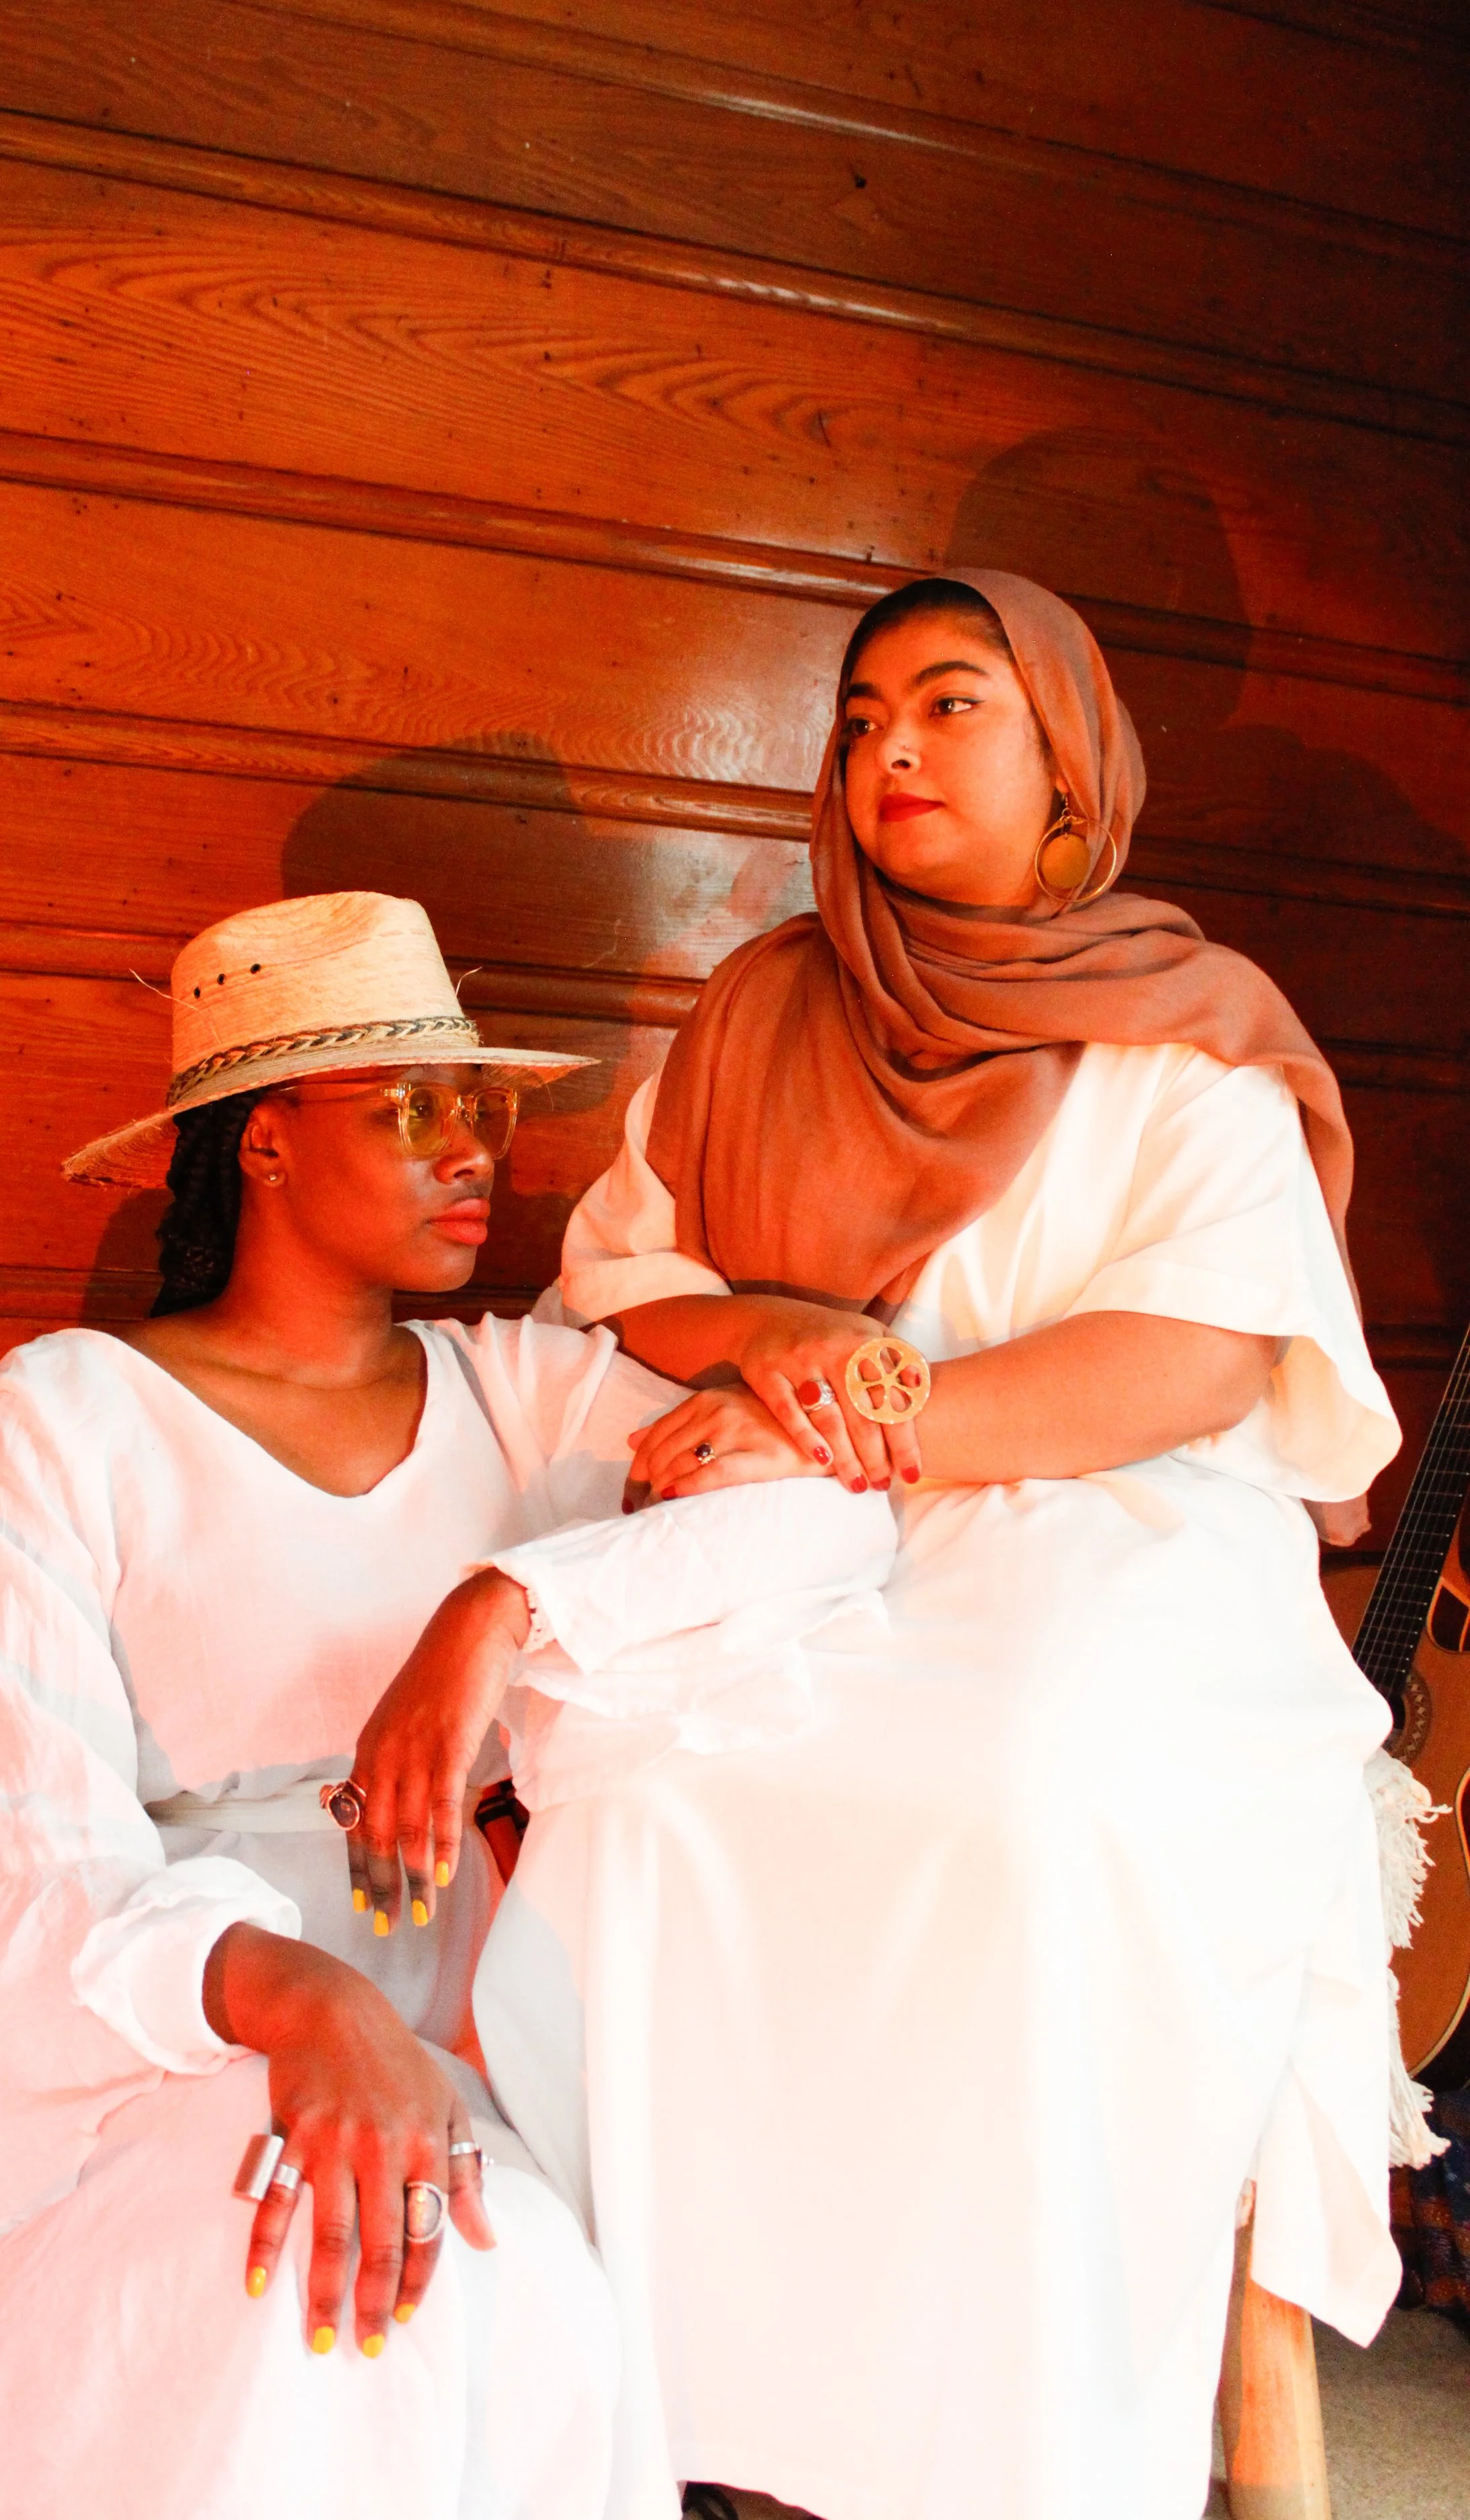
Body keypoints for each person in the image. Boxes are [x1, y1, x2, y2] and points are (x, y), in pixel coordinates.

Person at [468, 574, 1415, 2520]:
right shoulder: (764, 1010)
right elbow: (630, 1275)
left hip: (1117, 1523)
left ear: (1067, 773)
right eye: (858, 712)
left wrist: (879, 1406)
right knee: (637, 1801)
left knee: (1023, 1788)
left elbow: (1193, 1351)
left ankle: (1009, 2435)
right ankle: (684, 2410)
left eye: (949, 704)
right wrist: (777, 1343)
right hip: (816, 1518)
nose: (886, 747)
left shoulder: (1194, 1035)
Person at [0, 891, 893, 2520]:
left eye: (487, 1111)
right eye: (415, 1108)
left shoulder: (516, 1393)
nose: (477, 1157)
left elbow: (834, 1516)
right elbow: (22, 1863)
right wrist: (302, 2004)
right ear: (264, 1143)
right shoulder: (62, 1416)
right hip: (133, 2029)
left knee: (510, 2289)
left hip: (452, 2016)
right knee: (299, 2295)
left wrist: (500, 1608)